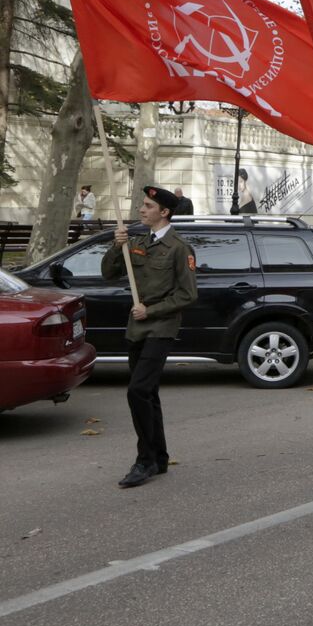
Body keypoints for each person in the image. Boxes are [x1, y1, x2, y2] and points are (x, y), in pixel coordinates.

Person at [101, 186, 198, 489]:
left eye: (147, 206)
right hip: (137, 328)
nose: (141, 210)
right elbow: (108, 273)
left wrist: (151, 311)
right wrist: (117, 247)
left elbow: (187, 294)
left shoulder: (180, 248)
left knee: (137, 391)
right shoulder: (139, 241)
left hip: (161, 328)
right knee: (149, 392)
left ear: (164, 212)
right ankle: (160, 457)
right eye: (142, 205)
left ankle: (144, 461)